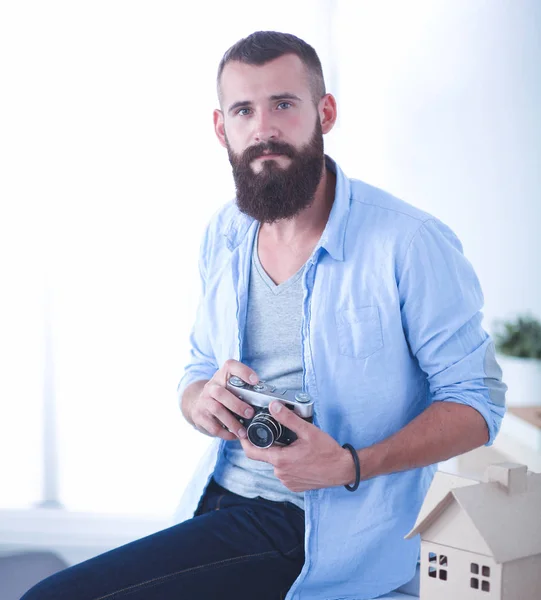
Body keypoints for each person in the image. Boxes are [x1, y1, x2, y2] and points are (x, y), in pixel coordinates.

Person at [22, 30, 506, 600]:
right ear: (220, 127)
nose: (263, 128)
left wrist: (349, 464)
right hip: (215, 501)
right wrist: (202, 403)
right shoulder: (225, 233)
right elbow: (197, 370)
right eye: (244, 110)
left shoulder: (409, 242)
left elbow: (477, 402)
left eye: (283, 104)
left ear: (324, 112)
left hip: (317, 524)